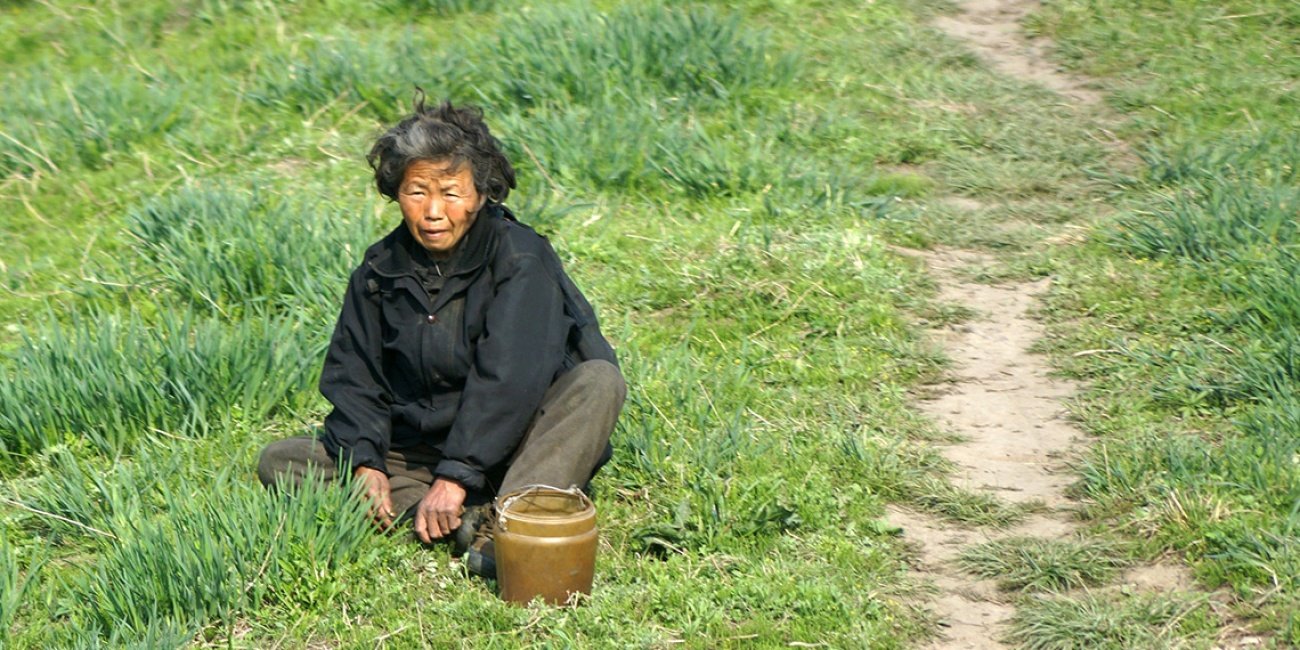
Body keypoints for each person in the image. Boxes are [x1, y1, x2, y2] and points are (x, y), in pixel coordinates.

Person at [257, 96, 626, 580]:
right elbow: (355, 376)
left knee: (598, 382)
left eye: (450, 193)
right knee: (281, 460)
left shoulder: (519, 259)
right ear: (395, 193)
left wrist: (458, 472)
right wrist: (366, 460)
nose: (432, 211)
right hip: (419, 450)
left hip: (518, 442)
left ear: (480, 193)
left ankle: (507, 515)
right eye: (416, 192)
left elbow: (510, 379)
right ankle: (464, 518)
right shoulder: (379, 269)